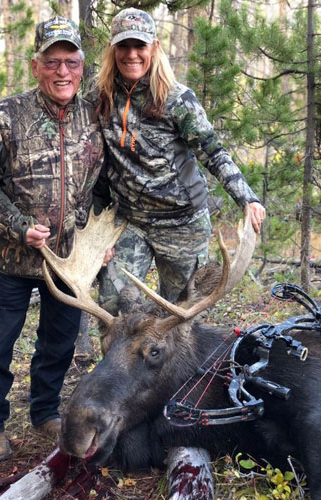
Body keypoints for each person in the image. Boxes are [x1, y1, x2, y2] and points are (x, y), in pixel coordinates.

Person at [0, 16, 105, 461]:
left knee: (58, 343)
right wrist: (17, 226)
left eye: (71, 62)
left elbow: (103, 186)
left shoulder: (93, 117)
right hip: (11, 260)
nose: (62, 72)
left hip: (68, 263)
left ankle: (45, 411)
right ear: (36, 65)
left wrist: (99, 236)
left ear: (82, 67)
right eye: (52, 62)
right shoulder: (7, 116)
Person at [92, 7, 266, 313]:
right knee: (113, 309)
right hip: (130, 222)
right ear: (112, 49)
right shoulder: (101, 97)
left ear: (154, 47)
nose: (131, 54)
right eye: (123, 46)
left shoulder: (176, 99)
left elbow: (213, 152)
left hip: (182, 224)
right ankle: (119, 364)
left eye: (139, 46)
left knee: (178, 317)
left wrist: (247, 199)